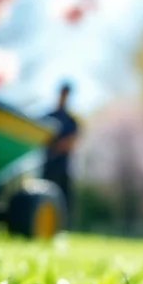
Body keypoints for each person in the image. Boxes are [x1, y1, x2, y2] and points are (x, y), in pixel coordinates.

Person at [42, 81, 79, 216]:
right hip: (48, 163)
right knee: (44, 194)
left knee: (64, 198)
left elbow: (72, 141)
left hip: (63, 165)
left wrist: (57, 146)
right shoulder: (48, 116)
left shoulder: (71, 121)